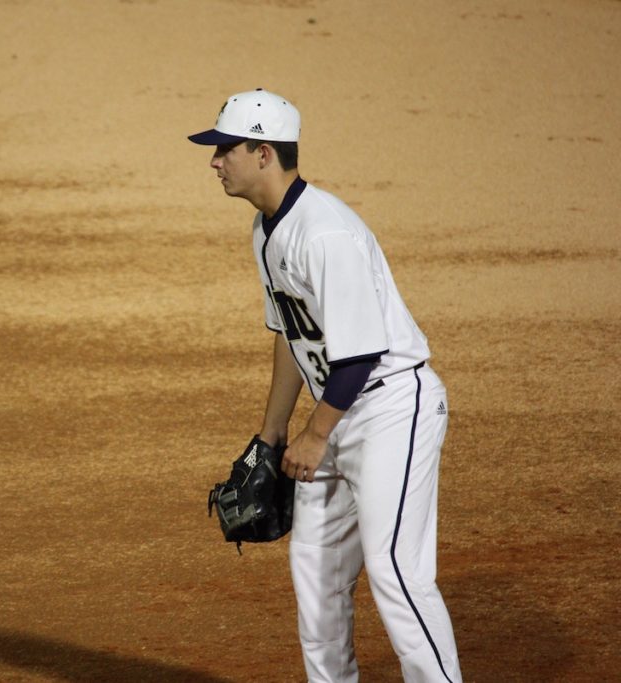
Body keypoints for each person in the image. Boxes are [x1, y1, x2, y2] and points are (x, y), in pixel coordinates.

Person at [189, 89, 463, 683]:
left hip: (390, 409)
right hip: (334, 415)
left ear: (263, 153)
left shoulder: (325, 233)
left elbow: (361, 353)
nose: (214, 162)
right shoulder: (266, 232)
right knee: (315, 577)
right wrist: (272, 435)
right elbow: (291, 335)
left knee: (396, 573)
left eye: (224, 150)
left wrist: (315, 435)